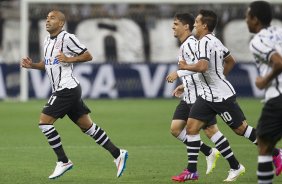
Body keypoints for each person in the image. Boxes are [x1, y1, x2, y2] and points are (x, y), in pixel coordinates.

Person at [20, 10, 128, 179]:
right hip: (65, 90)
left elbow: (88, 55)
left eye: (52, 18)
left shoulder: (67, 38)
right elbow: (49, 64)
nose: (47, 21)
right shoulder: (47, 40)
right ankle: (117, 153)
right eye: (47, 18)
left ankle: (63, 161)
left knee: (44, 123)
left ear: (61, 23)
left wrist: (69, 59)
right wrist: (32, 65)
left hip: (67, 88)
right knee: (88, 127)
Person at [177, 9, 280, 182]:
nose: (194, 24)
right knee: (191, 128)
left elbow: (202, 66)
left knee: (241, 130)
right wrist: (219, 77)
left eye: (197, 21)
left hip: (221, 97)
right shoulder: (216, 41)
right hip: (206, 96)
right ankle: (192, 170)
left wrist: (184, 67)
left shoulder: (203, 42)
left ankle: (277, 153)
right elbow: (231, 60)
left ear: (204, 25)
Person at [166, 13, 243, 182]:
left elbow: (201, 68)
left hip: (199, 95)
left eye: (176, 24)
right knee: (176, 129)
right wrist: (184, 85)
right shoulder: (185, 45)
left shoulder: (193, 44)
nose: (173, 27)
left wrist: (179, 73)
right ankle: (210, 153)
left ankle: (232, 164)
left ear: (186, 27)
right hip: (190, 95)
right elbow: (196, 70)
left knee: (210, 131)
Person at [245, 1, 282, 183]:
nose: (246, 21)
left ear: (255, 19)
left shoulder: (258, 40)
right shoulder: (280, 31)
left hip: (278, 97)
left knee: (264, 145)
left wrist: (263, 81)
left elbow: (278, 62)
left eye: (247, 17)